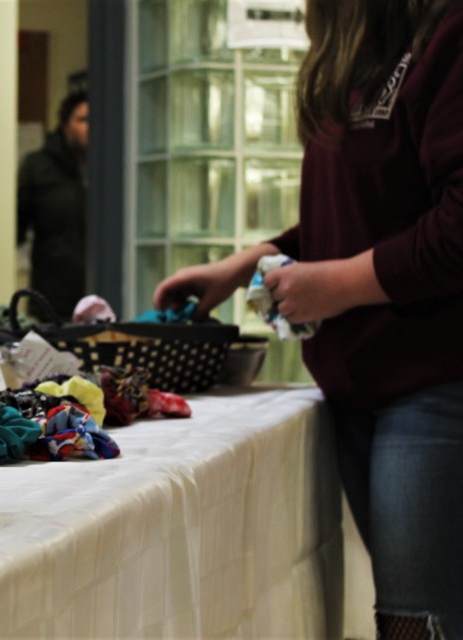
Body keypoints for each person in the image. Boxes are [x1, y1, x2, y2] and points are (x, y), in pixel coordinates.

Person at [153, 1, 463, 637]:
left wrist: (338, 286)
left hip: (436, 381)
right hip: (362, 383)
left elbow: (458, 228)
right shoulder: (356, 58)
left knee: (419, 624)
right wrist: (249, 263)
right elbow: (361, 217)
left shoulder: (447, 37)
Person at [17, 89, 89, 321]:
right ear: (66, 124)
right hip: (52, 301)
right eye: (83, 120)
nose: (90, 127)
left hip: (100, 297)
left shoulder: (109, 168)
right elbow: (15, 229)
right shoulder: (37, 167)